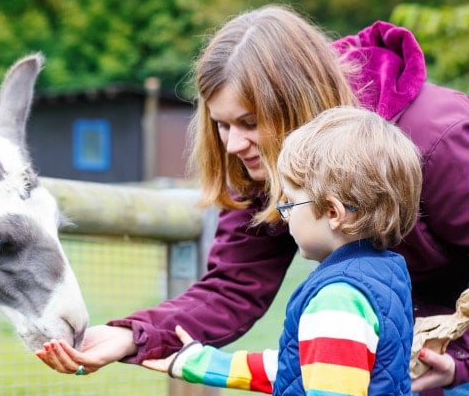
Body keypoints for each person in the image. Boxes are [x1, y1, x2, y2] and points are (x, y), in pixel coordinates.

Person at [35, 4, 469, 396]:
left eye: (248, 122)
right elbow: (233, 286)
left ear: (297, 102)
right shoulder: (274, 159)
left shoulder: (440, 141)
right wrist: (136, 334)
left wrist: (460, 361)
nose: (233, 145)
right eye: (222, 125)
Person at [140, 105, 421, 394]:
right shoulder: (384, 275)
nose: (283, 214)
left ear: (333, 212)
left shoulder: (338, 299)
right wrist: (202, 362)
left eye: (290, 202)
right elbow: (299, 366)